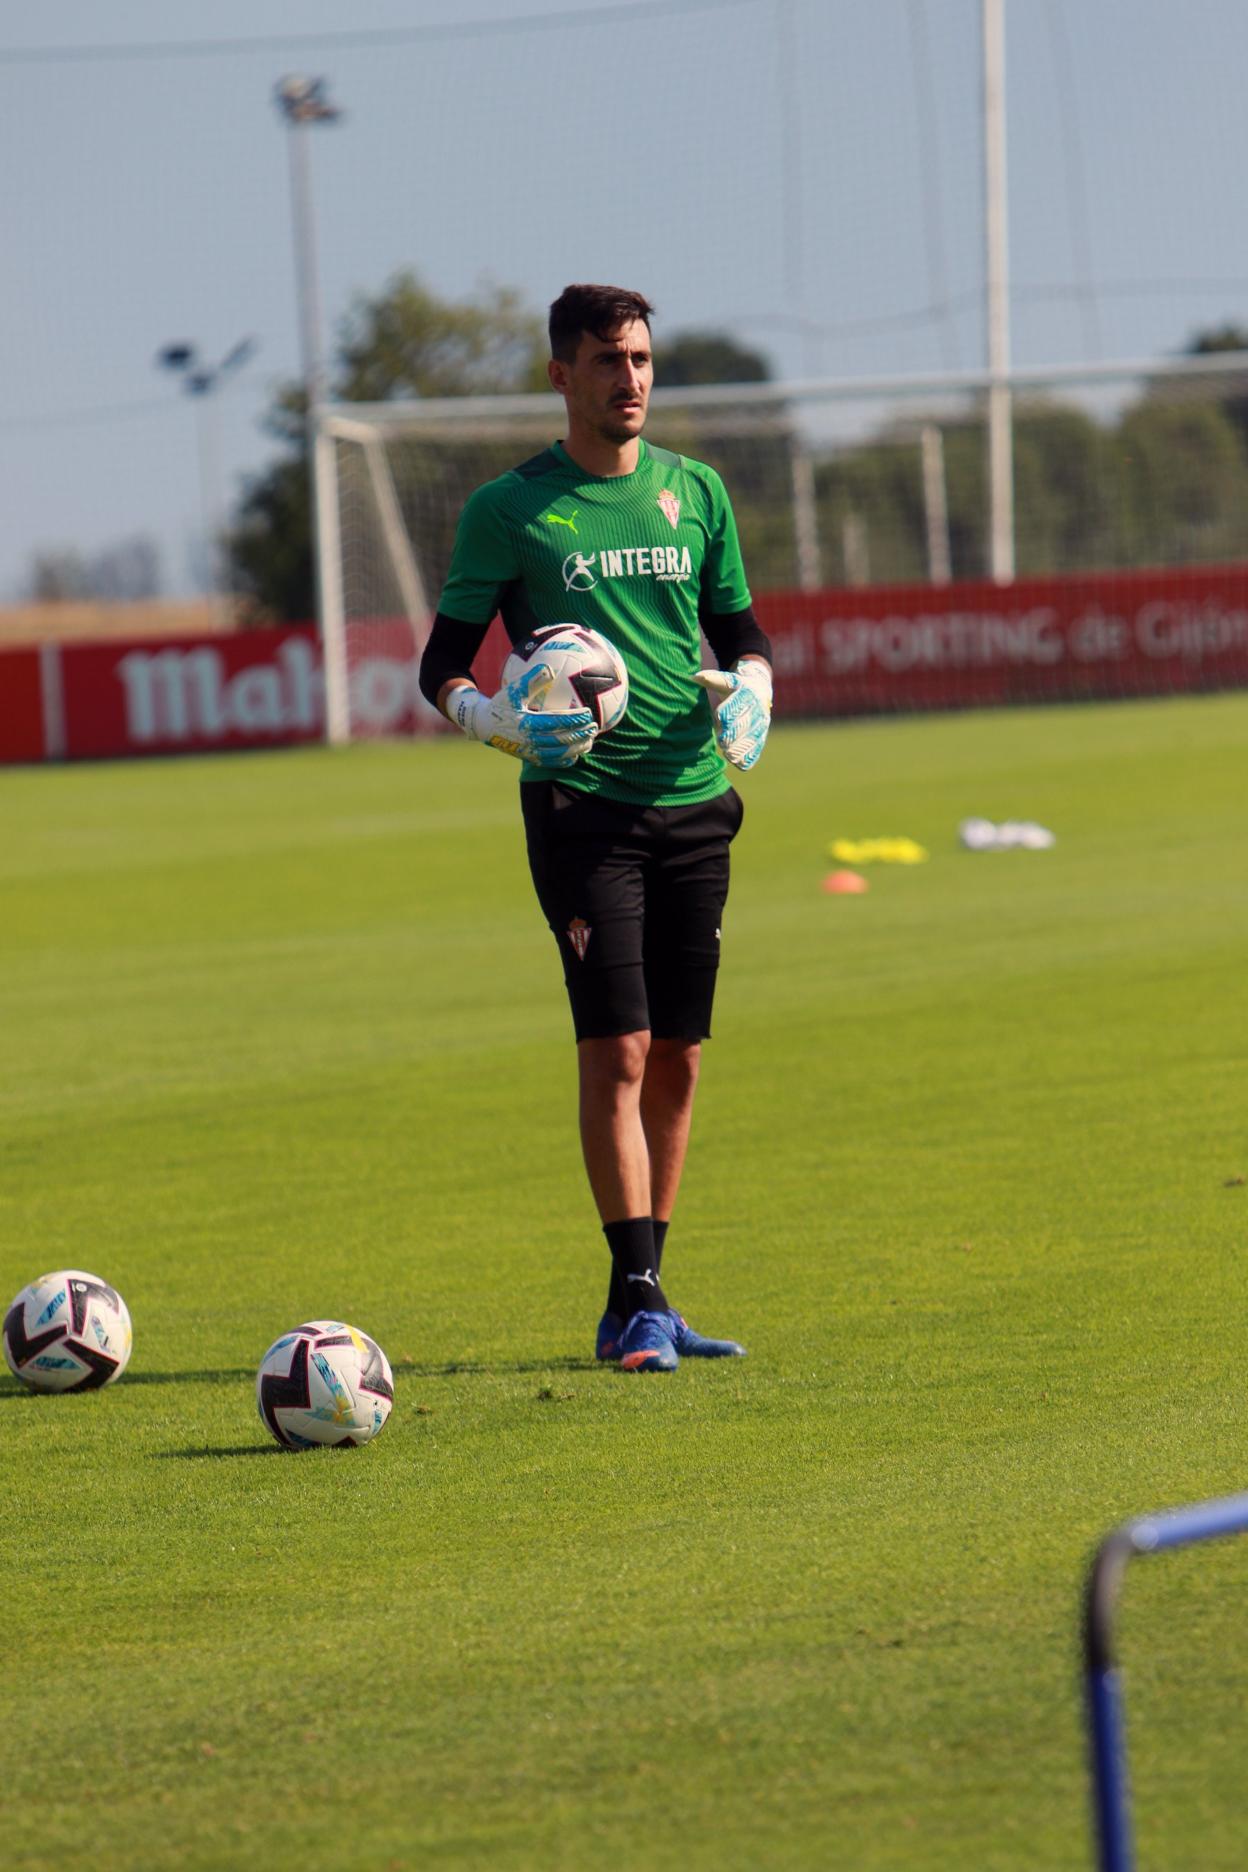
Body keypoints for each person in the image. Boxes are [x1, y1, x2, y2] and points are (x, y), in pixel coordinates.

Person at [418, 283, 774, 1373]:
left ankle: (643, 1299)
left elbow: (741, 631)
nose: (631, 379)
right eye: (610, 360)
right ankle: (640, 1296)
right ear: (561, 374)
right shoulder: (512, 508)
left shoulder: (695, 491)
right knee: (616, 1046)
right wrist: (491, 721)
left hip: (695, 800)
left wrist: (756, 690)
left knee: (679, 1056)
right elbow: (441, 664)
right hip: (585, 813)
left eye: (643, 359)